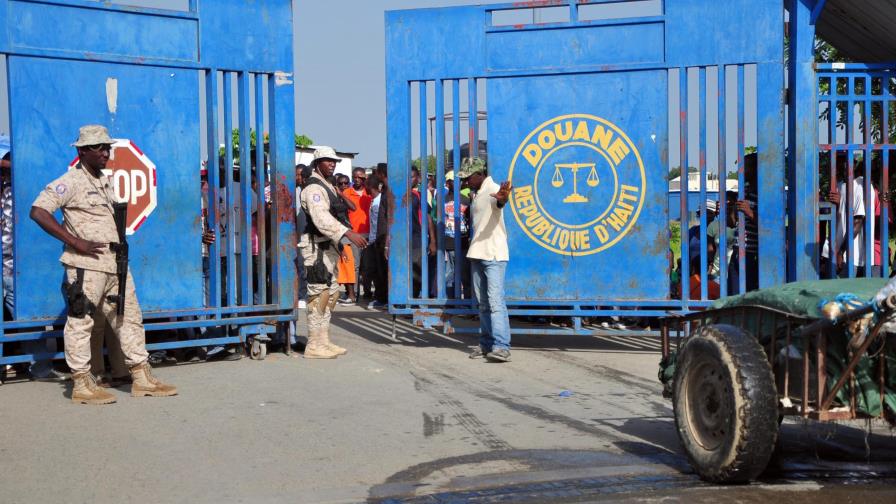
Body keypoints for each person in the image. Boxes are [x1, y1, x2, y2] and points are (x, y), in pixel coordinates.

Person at [29, 125, 177, 404]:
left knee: (129, 318)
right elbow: (38, 211)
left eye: (107, 147)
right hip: (86, 266)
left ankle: (141, 377)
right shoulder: (70, 181)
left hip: (114, 264)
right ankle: (82, 384)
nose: (105, 153)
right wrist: (75, 241)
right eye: (99, 148)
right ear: (82, 151)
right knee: (81, 323)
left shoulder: (103, 180)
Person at [299, 147, 368, 358]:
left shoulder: (327, 186)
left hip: (330, 247)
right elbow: (321, 219)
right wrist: (348, 233)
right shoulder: (313, 188)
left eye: (334, 161)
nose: (332, 164)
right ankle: (313, 344)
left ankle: (323, 340)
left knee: (331, 294)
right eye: (328, 161)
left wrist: (341, 243)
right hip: (316, 248)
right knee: (318, 295)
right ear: (317, 162)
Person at [458, 158, 513, 363]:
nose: (465, 182)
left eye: (467, 177)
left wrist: (502, 197)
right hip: (478, 253)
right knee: (483, 304)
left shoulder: (493, 188)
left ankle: (501, 346)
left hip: (494, 254)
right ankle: (487, 344)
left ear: (478, 174)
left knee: (495, 302)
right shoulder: (477, 192)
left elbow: (500, 200)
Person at [343, 168, 372, 301]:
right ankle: (354, 293)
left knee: (367, 266)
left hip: (369, 233)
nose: (357, 179)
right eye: (355, 177)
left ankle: (367, 292)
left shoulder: (369, 192)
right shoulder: (346, 192)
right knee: (355, 265)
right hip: (353, 234)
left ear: (364, 178)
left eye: (360, 177)